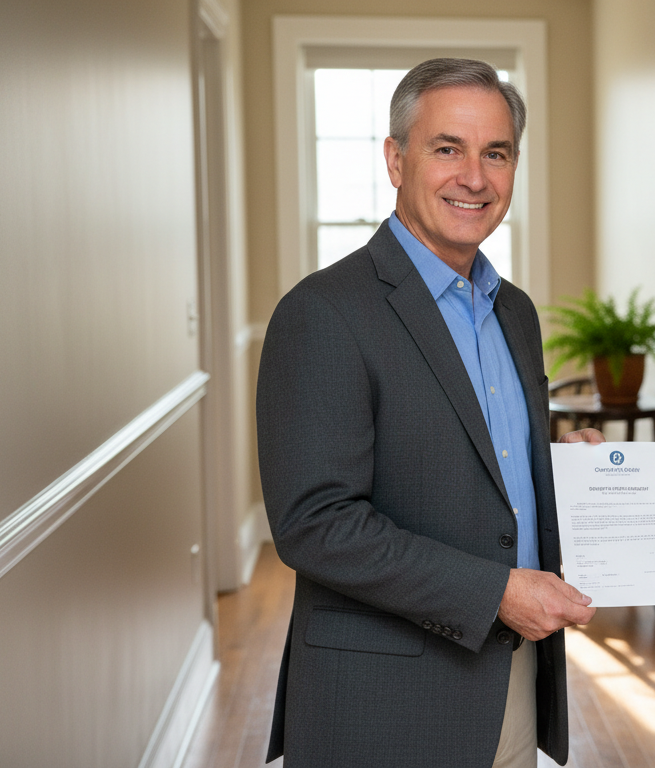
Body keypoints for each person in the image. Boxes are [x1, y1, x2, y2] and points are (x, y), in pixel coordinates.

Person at [256, 58, 602, 768]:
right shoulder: (322, 313)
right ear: (395, 158)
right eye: (448, 148)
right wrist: (497, 592)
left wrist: (569, 480)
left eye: (496, 153)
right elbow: (316, 526)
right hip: (384, 705)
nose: (474, 177)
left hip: (512, 682)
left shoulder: (515, 311)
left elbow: (489, 479)